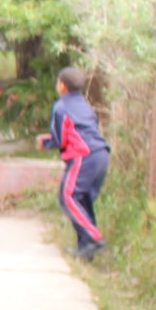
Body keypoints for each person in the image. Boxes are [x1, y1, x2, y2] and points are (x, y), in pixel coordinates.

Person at [39, 65, 111, 260]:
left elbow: (60, 138)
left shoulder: (61, 107)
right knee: (83, 200)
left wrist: (45, 143)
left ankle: (94, 238)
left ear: (62, 86)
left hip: (83, 156)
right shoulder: (85, 104)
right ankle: (85, 249)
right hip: (101, 154)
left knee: (68, 197)